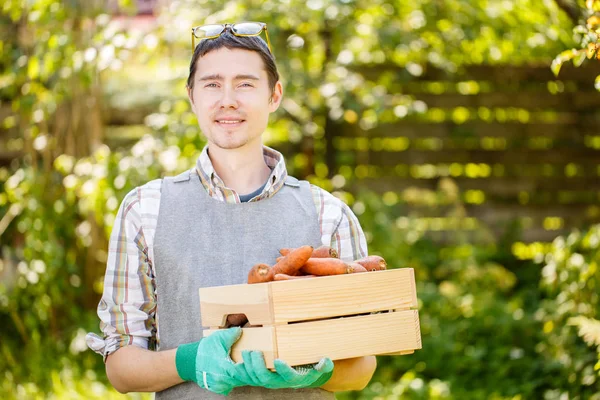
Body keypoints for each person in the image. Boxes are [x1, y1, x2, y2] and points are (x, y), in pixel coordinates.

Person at [86, 21, 377, 399]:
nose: (228, 100)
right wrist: (190, 361)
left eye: (245, 83)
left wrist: (311, 375)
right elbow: (122, 368)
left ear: (274, 95)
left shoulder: (328, 214)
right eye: (211, 84)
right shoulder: (146, 211)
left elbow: (362, 367)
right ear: (191, 96)